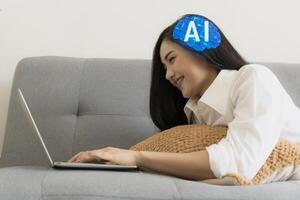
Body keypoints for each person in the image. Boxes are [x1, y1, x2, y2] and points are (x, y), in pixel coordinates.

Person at [68, 14, 300, 182]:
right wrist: (113, 160)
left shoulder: (253, 78)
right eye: (164, 67)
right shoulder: (194, 112)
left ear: (201, 49)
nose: (168, 75)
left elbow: (237, 163)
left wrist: (136, 157)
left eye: (171, 59)